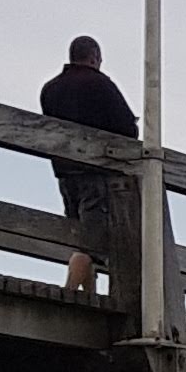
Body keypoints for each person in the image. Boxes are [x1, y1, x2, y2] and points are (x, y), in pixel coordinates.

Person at [40, 35, 142, 295]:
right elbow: (127, 129)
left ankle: (88, 294)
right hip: (95, 171)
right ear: (95, 57)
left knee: (80, 234)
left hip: (65, 173)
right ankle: (70, 292)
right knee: (92, 240)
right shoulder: (100, 84)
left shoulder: (50, 89)